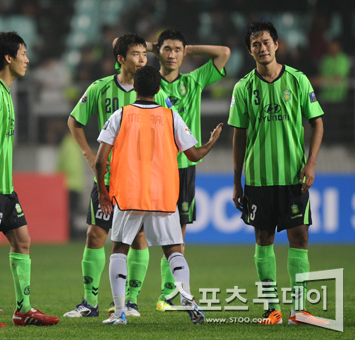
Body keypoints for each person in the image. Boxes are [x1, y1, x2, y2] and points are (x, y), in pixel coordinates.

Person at [96, 65, 223, 325]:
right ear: (158, 89)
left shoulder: (121, 115)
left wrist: (102, 191)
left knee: (119, 250)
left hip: (128, 194)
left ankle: (119, 312)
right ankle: (186, 297)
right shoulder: (170, 116)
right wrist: (211, 141)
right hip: (162, 194)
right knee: (174, 250)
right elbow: (194, 155)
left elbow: (100, 160)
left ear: (135, 88)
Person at [65, 33, 169, 318]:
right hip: (108, 178)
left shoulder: (155, 92)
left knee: (138, 239)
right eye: (136, 54)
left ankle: (131, 302)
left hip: (139, 179)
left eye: (144, 54)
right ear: (121, 59)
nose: (142, 59)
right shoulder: (99, 88)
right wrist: (89, 154)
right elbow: (74, 121)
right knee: (95, 235)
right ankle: (89, 302)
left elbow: (169, 126)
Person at [229, 21, 325, 326]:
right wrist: (236, 181)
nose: (262, 47)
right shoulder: (243, 87)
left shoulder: (298, 80)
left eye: (266, 42)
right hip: (258, 178)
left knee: (300, 235)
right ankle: (271, 308)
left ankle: (299, 309)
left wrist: (310, 163)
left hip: (293, 177)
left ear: (277, 44)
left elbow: (317, 122)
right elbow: (239, 135)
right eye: (255, 44)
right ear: (250, 51)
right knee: (263, 237)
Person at [0, 31, 60, 328]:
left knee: (22, 240)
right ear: (8, 57)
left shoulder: (5, 91)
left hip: (5, 187)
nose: (27, 59)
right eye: (23, 53)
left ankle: (24, 310)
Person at [147, 28, 230, 312]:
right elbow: (118, 47)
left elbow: (224, 53)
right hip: (156, 165)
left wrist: (188, 47)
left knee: (179, 230)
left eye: (177, 50)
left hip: (185, 165)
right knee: (158, 230)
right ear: (158, 51)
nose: (172, 55)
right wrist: (153, 46)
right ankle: (160, 290)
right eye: (167, 49)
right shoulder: (146, 82)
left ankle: (170, 290)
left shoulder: (193, 81)